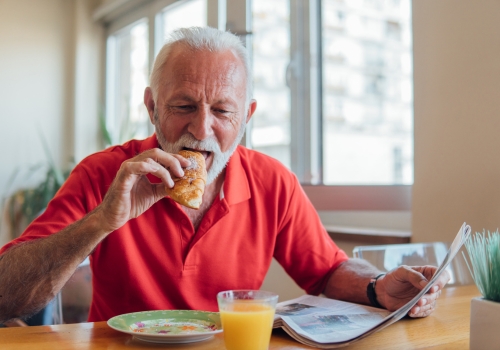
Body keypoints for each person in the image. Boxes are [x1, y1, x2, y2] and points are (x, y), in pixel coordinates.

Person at [0, 27, 448, 324]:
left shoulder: (272, 181)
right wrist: (101, 222)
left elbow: (328, 270)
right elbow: (7, 297)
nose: (201, 129)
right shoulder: (104, 173)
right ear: (152, 107)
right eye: (183, 107)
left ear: (247, 116)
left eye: (222, 111)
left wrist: (376, 287)